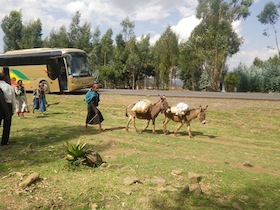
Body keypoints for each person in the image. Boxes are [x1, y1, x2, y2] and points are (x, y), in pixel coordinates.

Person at [0, 72, 16, 146]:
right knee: (7, 125)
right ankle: (4, 141)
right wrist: (13, 110)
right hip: (8, 106)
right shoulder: (10, 87)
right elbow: (13, 100)